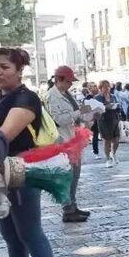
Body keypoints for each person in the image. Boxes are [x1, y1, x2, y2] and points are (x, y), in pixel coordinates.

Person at [0, 48, 72, 257]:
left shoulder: (25, 99)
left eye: (4, 67)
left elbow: (3, 136)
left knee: (29, 231)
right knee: (10, 234)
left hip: (21, 173)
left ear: (19, 69)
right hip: (0, 177)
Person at [46, 66, 90, 223]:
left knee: (74, 176)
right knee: (67, 176)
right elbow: (59, 119)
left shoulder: (66, 94)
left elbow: (72, 117)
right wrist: (79, 113)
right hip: (62, 141)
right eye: (69, 81)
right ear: (59, 80)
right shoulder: (52, 96)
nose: (71, 84)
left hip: (72, 139)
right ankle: (68, 210)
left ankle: (73, 205)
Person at [94, 81, 121, 168]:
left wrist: (117, 106)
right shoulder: (97, 97)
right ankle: (108, 159)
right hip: (103, 120)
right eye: (105, 87)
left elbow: (118, 105)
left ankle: (113, 153)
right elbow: (96, 109)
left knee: (116, 139)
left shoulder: (113, 96)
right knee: (106, 140)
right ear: (100, 88)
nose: (107, 88)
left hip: (114, 118)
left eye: (108, 86)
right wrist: (106, 106)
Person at [84, 82, 100, 160]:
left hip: (101, 118)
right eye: (91, 87)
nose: (94, 88)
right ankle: (96, 152)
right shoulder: (88, 97)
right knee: (95, 135)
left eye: (95, 86)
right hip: (92, 118)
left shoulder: (100, 96)